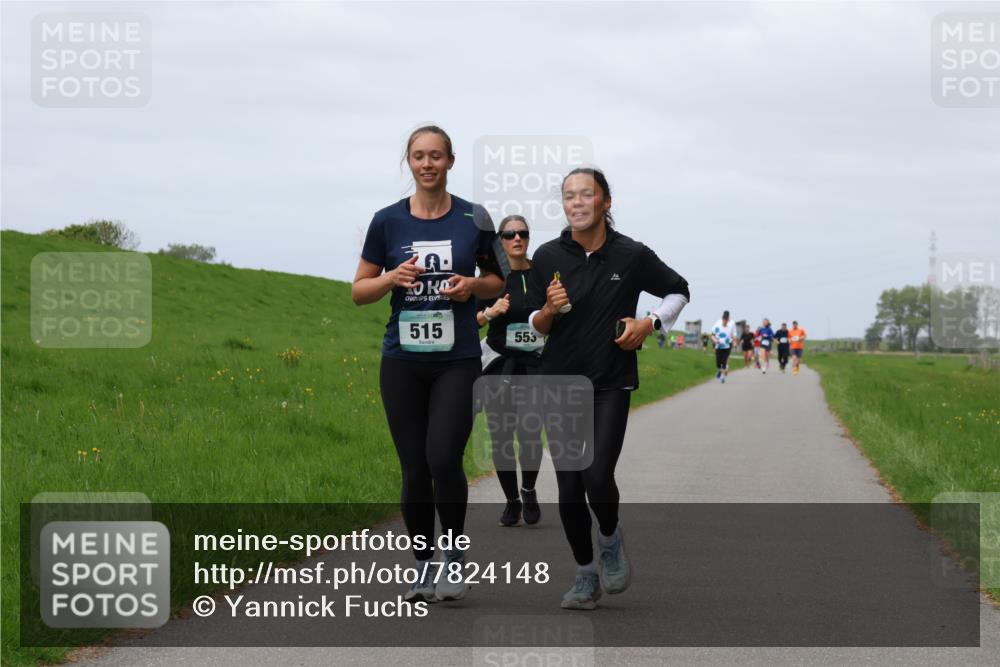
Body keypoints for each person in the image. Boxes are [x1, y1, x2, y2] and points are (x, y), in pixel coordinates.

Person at [352, 125, 504, 603]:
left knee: (443, 457)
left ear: (450, 161)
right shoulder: (386, 221)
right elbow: (359, 291)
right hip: (402, 360)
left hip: (457, 360)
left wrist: (471, 287)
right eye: (418, 156)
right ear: (409, 162)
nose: (427, 164)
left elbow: (498, 281)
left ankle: (454, 558)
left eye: (435, 155)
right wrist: (391, 278)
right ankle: (423, 565)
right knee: (415, 468)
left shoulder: (474, 217)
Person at [527, 167, 689, 610]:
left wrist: (649, 323)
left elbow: (678, 291)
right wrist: (548, 310)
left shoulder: (631, 255)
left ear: (606, 202)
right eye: (569, 196)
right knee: (568, 487)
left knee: (597, 475)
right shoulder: (547, 255)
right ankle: (585, 574)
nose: (576, 202)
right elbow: (536, 326)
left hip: (610, 380)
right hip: (559, 382)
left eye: (586, 194)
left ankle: (610, 537)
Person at [476, 215, 544, 528]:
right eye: (509, 234)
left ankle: (528, 489)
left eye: (522, 233)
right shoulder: (491, 280)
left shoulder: (542, 274)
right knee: (501, 436)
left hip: (534, 364)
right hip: (499, 364)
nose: (517, 238)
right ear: (500, 241)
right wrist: (490, 313)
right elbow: (468, 321)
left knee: (530, 430)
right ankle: (511, 500)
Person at [711, 311, 737, 383]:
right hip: (719, 344)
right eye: (724, 318)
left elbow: (734, 333)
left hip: (728, 343)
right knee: (719, 361)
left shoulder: (732, 323)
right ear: (722, 317)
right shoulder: (718, 322)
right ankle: (721, 370)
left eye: (727, 318)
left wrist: (734, 342)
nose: (726, 320)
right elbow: (713, 334)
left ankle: (723, 374)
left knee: (725, 359)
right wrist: (715, 341)